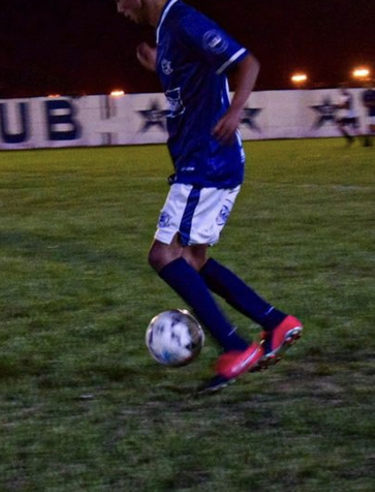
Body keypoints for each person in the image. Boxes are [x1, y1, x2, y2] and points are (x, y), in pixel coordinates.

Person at [114, 0, 303, 393]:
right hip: (208, 161)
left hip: (206, 161)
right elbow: (193, 89)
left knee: (163, 255)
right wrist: (160, 66)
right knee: (194, 261)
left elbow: (248, 62)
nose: (119, 8)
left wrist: (234, 112)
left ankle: (235, 347)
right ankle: (275, 322)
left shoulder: (182, 19)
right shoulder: (167, 32)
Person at [362, 81, 375, 147]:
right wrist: (371, 103)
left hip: (374, 112)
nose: (368, 86)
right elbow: (364, 103)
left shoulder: (374, 92)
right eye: (367, 84)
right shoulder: (365, 93)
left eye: (370, 84)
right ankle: (368, 142)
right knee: (369, 128)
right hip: (369, 113)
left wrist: (369, 103)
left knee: (372, 128)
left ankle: (368, 142)